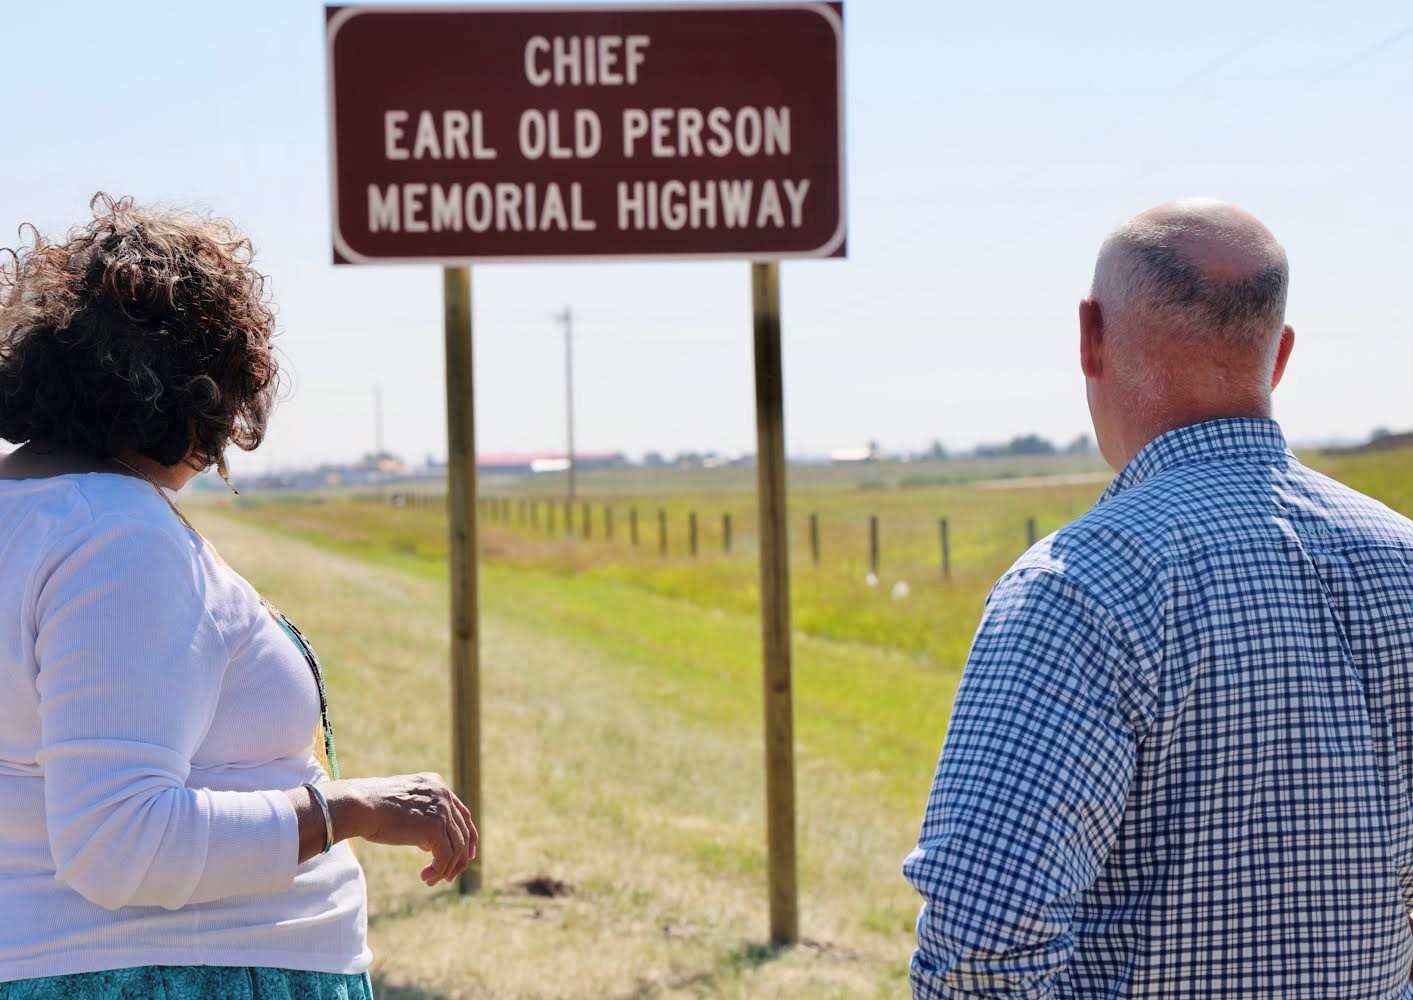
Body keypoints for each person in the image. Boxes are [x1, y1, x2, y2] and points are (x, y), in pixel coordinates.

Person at [904, 198, 1413, 997]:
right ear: (1277, 356)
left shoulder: (1077, 586)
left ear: (1089, 337)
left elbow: (983, 940)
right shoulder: (1402, 559)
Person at [0, 195, 475, 999]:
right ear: (207, 381)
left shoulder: (33, 515)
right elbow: (122, 844)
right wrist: (348, 810)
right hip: (173, 971)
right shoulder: (117, 536)